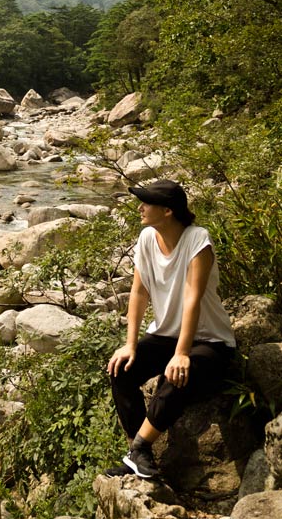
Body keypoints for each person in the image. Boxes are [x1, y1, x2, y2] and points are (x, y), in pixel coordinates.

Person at [106, 179, 236, 479]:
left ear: (167, 211)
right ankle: (138, 454)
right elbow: (138, 293)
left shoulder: (197, 240)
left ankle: (139, 448)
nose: (140, 207)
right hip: (166, 334)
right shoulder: (147, 238)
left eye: (146, 203)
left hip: (210, 340)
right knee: (120, 370)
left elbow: (193, 298)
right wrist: (131, 344)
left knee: (175, 375)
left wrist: (181, 353)